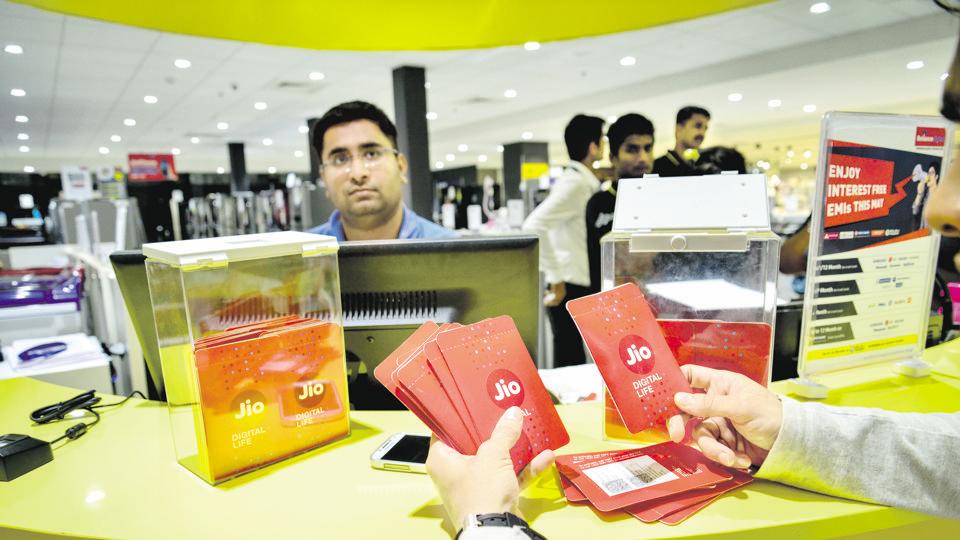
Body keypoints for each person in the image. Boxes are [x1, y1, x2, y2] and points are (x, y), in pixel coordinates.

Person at [307, 101, 456, 241]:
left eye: (371, 154)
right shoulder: (297, 258)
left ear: (401, 166)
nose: (358, 174)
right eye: (340, 159)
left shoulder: (455, 253)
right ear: (324, 178)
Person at [522, 114, 605, 367]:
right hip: (569, 283)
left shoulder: (580, 181)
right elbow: (534, 225)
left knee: (575, 355)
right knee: (570, 357)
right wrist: (556, 278)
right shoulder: (576, 183)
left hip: (577, 280)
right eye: (602, 141)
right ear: (593, 147)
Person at [584, 113, 655, 292]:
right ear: (613, 156)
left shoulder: (661, 199)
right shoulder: (598, 203)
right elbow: (594, 263)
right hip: (611, 300)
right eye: (632, 149)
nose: (643, 158)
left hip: (658, 299)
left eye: (648, 148)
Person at [653, 106, 710, 177]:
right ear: (679, 129)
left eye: (705, 128)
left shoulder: (706, 166)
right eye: (698, 126)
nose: (702, 133)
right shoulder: (656, 168)